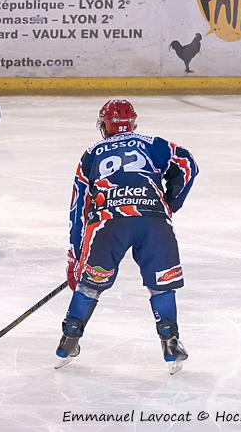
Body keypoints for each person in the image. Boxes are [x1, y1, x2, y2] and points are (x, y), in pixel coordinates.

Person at [56, 100, 199, 374]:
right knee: (161, 286)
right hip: (153, 221)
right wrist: (170, 202)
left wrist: (76, 258)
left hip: (109, 224)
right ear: (133, 123)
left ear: (104, 125)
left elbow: (78, 209)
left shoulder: (91, 153)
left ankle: (68, 340)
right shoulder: (153, 143)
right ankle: (170, 343)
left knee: (90, 285)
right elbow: (187, 164)